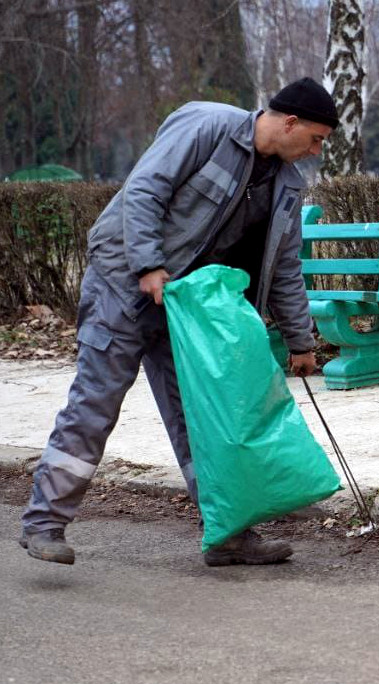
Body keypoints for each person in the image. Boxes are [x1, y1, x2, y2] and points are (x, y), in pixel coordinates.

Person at [19, 77, 338, 566]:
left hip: (187, 305)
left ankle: (228, 533)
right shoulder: (207, 125)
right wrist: (147, 264)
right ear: (290, 121)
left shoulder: (288, 183)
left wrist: (300, 340)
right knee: (96, 403)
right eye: (315, 138)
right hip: (124, 283)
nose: (316, 150)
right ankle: (43, 524)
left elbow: (286, 265)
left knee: (204, 416)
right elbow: (146, 189)